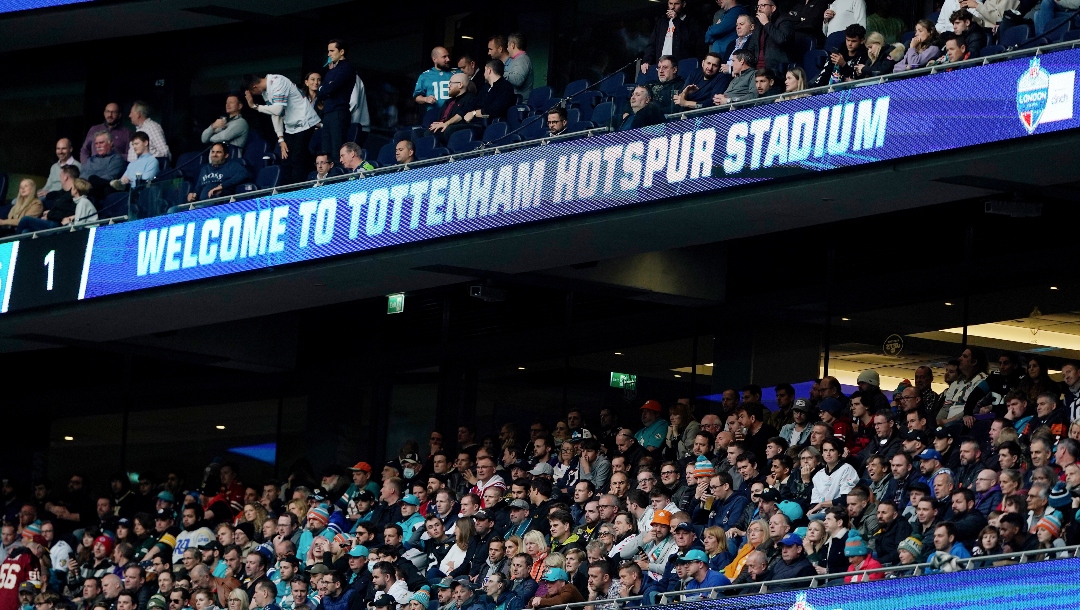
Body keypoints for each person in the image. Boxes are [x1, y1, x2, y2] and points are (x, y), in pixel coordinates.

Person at [242, 73, 322, 185]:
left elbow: (278, 110)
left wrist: (255, 106)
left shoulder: (277, 82)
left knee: (296, 159)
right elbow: (274, 114)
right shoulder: (266, 92)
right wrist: (280, 139)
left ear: (254, 87)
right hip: (290, 127)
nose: (254, 95)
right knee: (286, 160)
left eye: (252, 93)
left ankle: (299, 191)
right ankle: (291, 189)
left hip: (305, 121)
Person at [316, 39, 358, 161]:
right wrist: (325, 88)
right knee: (325, 152)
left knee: (337, 151)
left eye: (332, 50)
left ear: (342, 51)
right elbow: (321, 92)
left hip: (339, 113)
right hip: (328, 113)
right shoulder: (332, 70)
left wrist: (326, 88)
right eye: (328, 51)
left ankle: (337, 177)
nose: (329, 54)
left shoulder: (347, 68)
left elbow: (330, 88)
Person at [642, 0, 704, 72]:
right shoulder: (662, 22)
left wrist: (676, 20)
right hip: (661, 66)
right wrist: (646, 61)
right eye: (670, 4)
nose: (673, 7)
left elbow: (690, 42)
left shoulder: (690, 22)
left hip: (680, 67)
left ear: (683, 4)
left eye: (676, 4)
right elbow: (652, 44)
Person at [17, 166, 80, 233]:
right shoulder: (62, 193)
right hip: (51, 221)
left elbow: (68, 213)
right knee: (26, 231)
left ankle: (12, 242)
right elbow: (59, 208)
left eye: (60, 176)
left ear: (65, 177)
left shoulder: (75, 193)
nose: (60, 179)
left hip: (58, 225)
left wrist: (50, 215)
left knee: (25, 219)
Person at [427, 73, 477, 145]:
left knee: (446, 131)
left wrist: (446, 124)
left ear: (460, 85)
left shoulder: (470, 98)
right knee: (421, 133)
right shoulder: (448, 101)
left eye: (451, 83)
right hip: (444, 127)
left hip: (457, 127)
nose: (448, 86)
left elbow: (461, 114)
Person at [81, 130, 128, 198]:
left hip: (102, 193)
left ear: (111, 143)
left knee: (93, 178)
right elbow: (82, 175)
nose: (98, 146)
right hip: (85, 190)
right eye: (96, 143)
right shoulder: (91, 160)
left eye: (101, 143)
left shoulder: (116, 159)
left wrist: (91, 180)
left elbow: (109, 177)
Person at [753, 0, 795, 73]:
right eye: (758, 6)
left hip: (775, 69)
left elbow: (782, 40)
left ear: (773, 8)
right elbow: (752, 47)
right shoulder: (759, 25)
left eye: (762, 5)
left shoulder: (784, 21)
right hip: (756, 69)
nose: (759, 9)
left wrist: (766, 24)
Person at [504, 33, 534, 98]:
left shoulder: (522, 59)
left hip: (520, 104)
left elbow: (518, 80)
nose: (507, 49)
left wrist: (499, 73)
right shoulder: (518, 59)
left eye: (507, 46)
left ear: (512, 45)